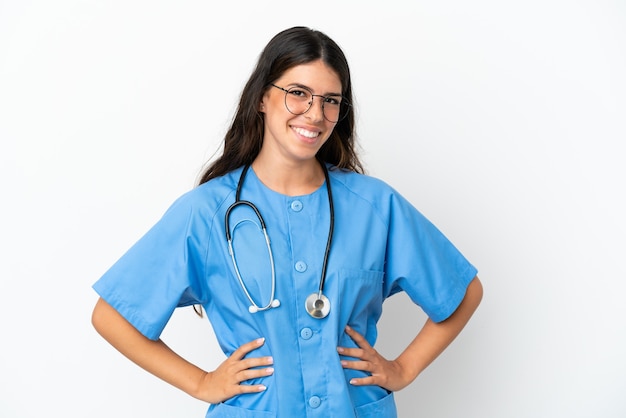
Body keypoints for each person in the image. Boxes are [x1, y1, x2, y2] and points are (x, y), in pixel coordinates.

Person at [91, 26, 483, 417]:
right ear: (262, 97)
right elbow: (112, 317)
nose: (315, 113)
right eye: (298, 93)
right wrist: (201, 382)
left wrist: (403, 368)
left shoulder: (374, 206)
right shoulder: (207, 212)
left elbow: (462, 291)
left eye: (331, 100)